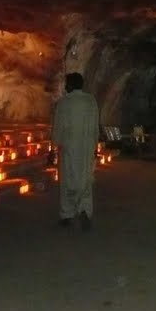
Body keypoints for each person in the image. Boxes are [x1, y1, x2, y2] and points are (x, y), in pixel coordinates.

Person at [52, 72, 100, 229]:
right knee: (85, 180)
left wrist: (54, 145)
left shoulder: (64, 103)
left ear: (70, 85)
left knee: (68, 180)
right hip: (86, 148)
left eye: (67, 84)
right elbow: (95, 127)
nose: (65, 87)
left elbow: (58, 127)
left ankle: (67, 214)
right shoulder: (91, 101)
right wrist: (94, 146)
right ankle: (85, 211)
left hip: (69, 148)